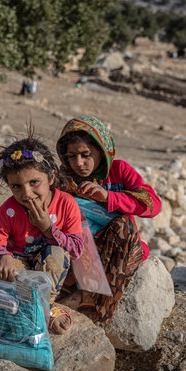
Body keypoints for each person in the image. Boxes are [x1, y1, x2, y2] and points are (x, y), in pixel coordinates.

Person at [56, 116, 161, 324]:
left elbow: (152, 204)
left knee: (123, 224)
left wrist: (107, 197)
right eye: (71, 156)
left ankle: (99, 312)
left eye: (86, 155)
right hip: (81, 249)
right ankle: (76, 295)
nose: (79, 163)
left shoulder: (119, 171)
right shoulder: (64, 178)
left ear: (102, 150)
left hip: (119, 247)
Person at [0, 130, 84, 335]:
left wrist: (48, 228)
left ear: (51, 177)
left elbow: (76, 250)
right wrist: (2, 255)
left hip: (48, 271)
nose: (26, 193)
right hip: (19, 261)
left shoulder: (66, 204)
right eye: (16, 186)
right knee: (1, 269)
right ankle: (35, 309)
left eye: (34, 183)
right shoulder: (9, 210)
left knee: (57, 253)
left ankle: (43, 306)